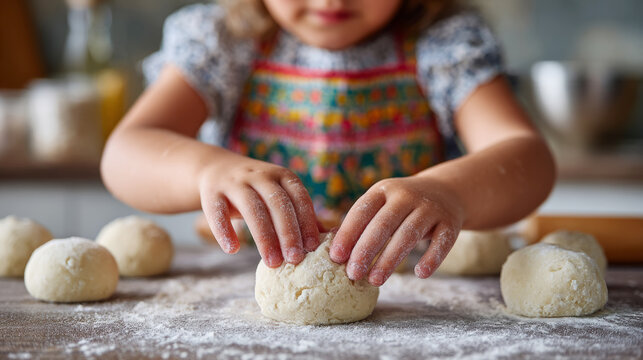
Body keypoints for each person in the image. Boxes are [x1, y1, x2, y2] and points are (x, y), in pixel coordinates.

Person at [101, 0, 555, 287]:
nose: (330, 1)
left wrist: (451, 192)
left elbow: (527, 156)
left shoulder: (444, 45)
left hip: (421, 288)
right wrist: (205, 170)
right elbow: (127, 151)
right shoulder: (224, 42)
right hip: (239, 287)